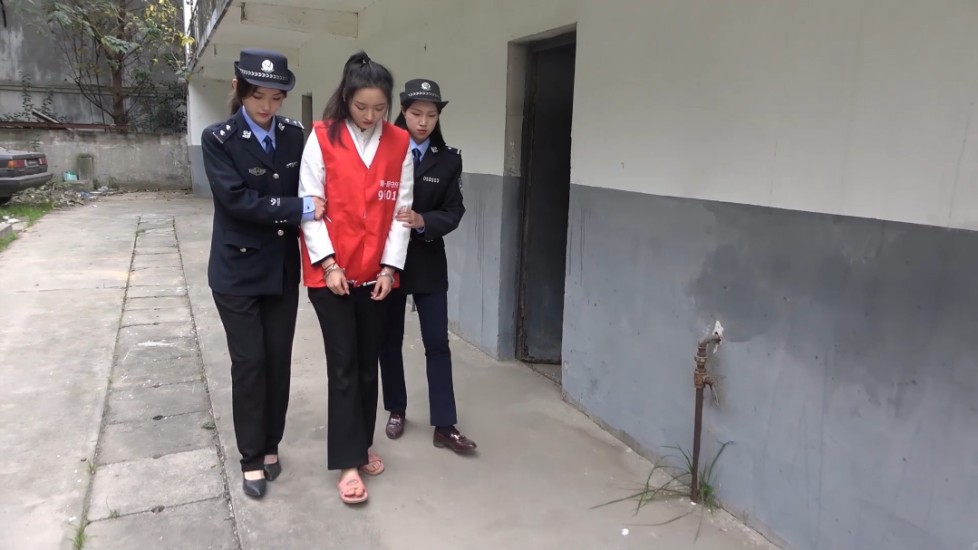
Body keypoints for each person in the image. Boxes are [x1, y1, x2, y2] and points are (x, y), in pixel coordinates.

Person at [202, 49, 325, 499]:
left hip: (280, 269)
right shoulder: (218, 139)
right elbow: (237, 201)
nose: (267, 107)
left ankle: (271, 443)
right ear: (238, 89)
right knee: (250, 363)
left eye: (276, 98)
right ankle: (251, 457)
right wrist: (300, 208)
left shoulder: (293, 135)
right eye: (258, 97)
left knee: (277, 361)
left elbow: (313, 181)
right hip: (236, 272)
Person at [298, 51, 414, 505]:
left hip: (376, 276)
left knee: (369, 365)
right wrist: (328, 264)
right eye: (361, 106)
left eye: (379, 108)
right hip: (331, 274)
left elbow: (401, 213)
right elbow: (310, 206)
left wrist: (390, 268)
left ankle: (362, 444)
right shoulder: (322, 137)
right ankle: (347, 463)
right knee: (344, 364)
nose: (370, 116)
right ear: (346, 98)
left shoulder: (399, 143)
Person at [378, 79, 476, 454]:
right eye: (416, 113)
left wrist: (423, 221)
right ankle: (396, 409)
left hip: (429, 260)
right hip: (389, 262)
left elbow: (454, 210)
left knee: (437, 342)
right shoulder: (383, 152)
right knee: (389, 340)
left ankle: (445, 424)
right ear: (403, 112)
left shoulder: (448, 159)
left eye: (431, 115)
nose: (423, 122)